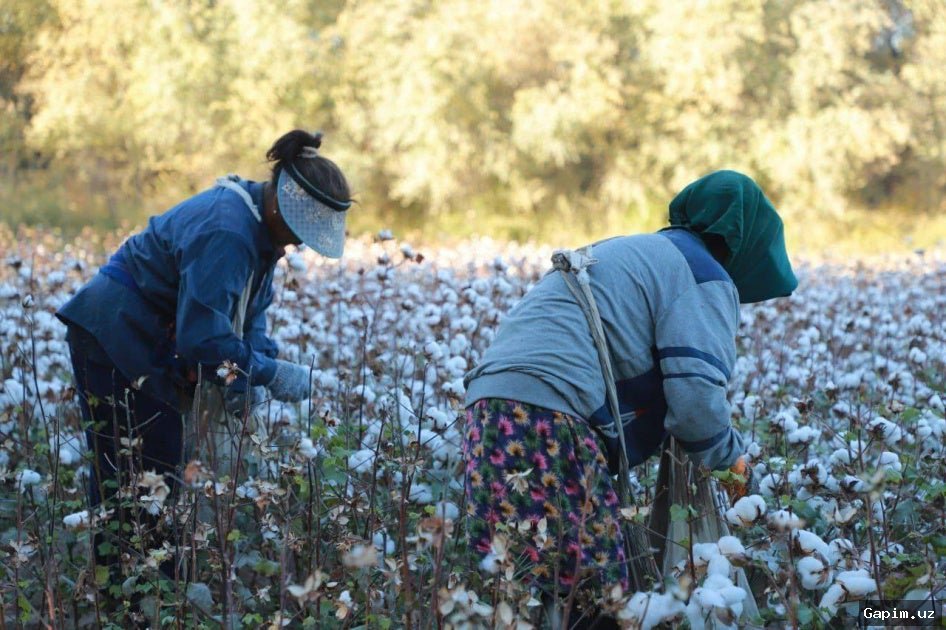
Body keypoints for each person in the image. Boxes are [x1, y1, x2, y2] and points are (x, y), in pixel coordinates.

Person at [461, 170, 797, 627]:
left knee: (518, 591)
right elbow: (696, 403)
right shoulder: (702, 274)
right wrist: (735, 468)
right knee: (603, 601)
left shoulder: (637, 251)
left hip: (489, 414)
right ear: (749, 242)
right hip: (547, 419)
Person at [57, 129, 352, 582]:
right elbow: (203, 340)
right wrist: (269, 374)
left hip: (142, 337)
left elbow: (252, 318)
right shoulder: (228, 230)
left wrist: (250, 375)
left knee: (154, 471)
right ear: (279, 205)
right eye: (300, 230)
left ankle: (151, 586)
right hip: (114, 335)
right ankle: (127, 594)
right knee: (137, 474)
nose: (298, 243)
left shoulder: (261, 232)